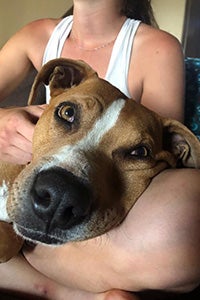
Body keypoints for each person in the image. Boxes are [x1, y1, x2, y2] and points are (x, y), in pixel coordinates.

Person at [0, 0, 200, 299]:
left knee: (185, 218)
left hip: (98, 207)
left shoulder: (158, 47)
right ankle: (65, 290)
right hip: (30, 177)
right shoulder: (37, 34)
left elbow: (165, 169)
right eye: (68, 114)